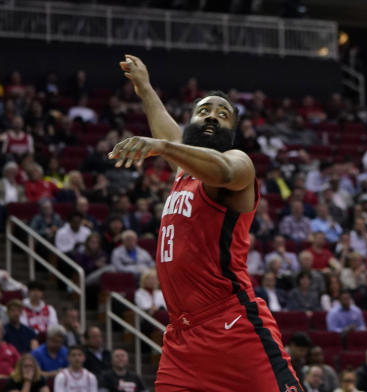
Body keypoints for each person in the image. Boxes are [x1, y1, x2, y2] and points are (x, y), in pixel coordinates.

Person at [108, 54, 302, 391]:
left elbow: (221, 169)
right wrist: (143, 88)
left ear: (231, 132)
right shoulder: (185, 171)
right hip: (182, 339)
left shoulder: (238, 162)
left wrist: (164, 147)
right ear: (191, 124)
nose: (212, 116)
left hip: (233, 325)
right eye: (204, 111)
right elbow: (166, 127)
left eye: (223, 115)